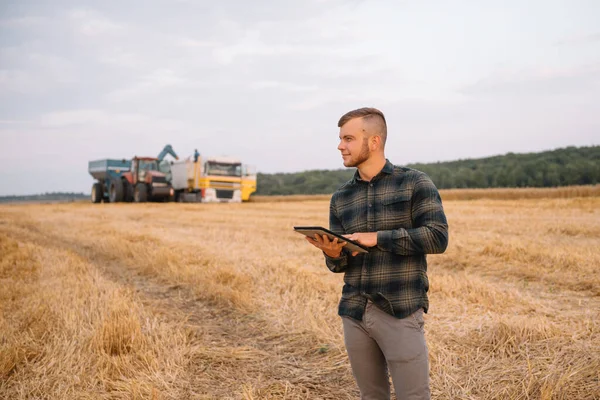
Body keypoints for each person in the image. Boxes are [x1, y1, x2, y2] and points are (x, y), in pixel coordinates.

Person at [305, 107, 448, 400]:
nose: (340, 145)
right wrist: (332, 253)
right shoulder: (341, 198)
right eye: (340, 138)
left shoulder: (414, 183)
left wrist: (377, 238)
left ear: (374, 142)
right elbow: (340, 265)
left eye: (348, 138)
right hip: (354, 310)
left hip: (399, 310)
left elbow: (437, 237)